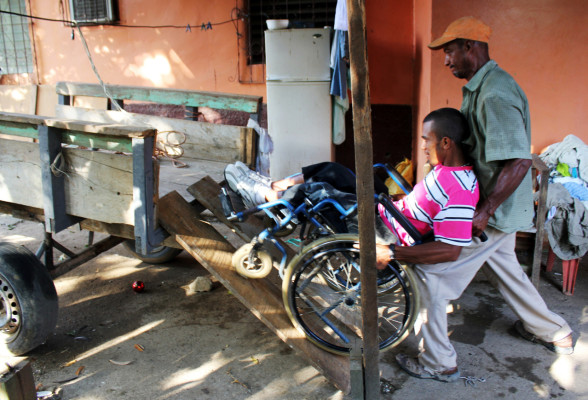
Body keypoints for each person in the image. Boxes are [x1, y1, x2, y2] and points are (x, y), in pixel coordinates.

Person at [393, 16, 573, 383]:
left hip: (493, 210)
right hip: (495, 207)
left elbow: (520, 160)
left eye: (449, 51)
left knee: (431, 278)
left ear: (469, 47)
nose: (446, 60)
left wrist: (484, 210)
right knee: (508, 273)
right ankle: (556, 332)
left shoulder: (494, 94)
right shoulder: (482, 87)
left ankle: (439, 362)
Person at [224, 108, 479, 255]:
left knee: (322, 192)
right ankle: (271, 187)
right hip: (391, 212)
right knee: (336, 171)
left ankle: (265, 196)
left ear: (446, 143)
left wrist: (392, 253)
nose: (423, 146)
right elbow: (426, 207)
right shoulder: (445, 169)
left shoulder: (460, 189)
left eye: (427, 140)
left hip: (388, 230)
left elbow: (450, 250)